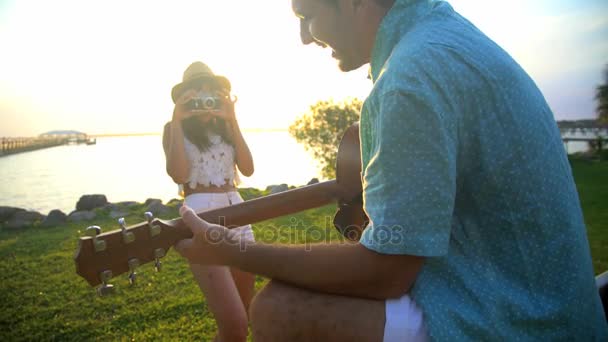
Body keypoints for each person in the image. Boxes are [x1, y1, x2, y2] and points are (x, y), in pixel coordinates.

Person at [174, 1, 608, 341]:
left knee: (280, 310)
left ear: (355, 1)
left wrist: (235, 252)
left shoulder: (410, 77)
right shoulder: (441, 36)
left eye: (307, 16)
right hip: (549, 302)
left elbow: (386, 270)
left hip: (526, 323)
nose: (305, 37)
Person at [163, 61, 256, 342]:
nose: (204, 99)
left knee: (244, 317)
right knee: (234, 325)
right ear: (185, 97)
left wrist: (232, 119)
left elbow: (249, 169)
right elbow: (178, 174)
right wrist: (177, 119)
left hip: (238, 211)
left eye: (210, 92)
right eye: (197, 92)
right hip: (201, 215)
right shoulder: (173, 128)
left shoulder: (225, 126)